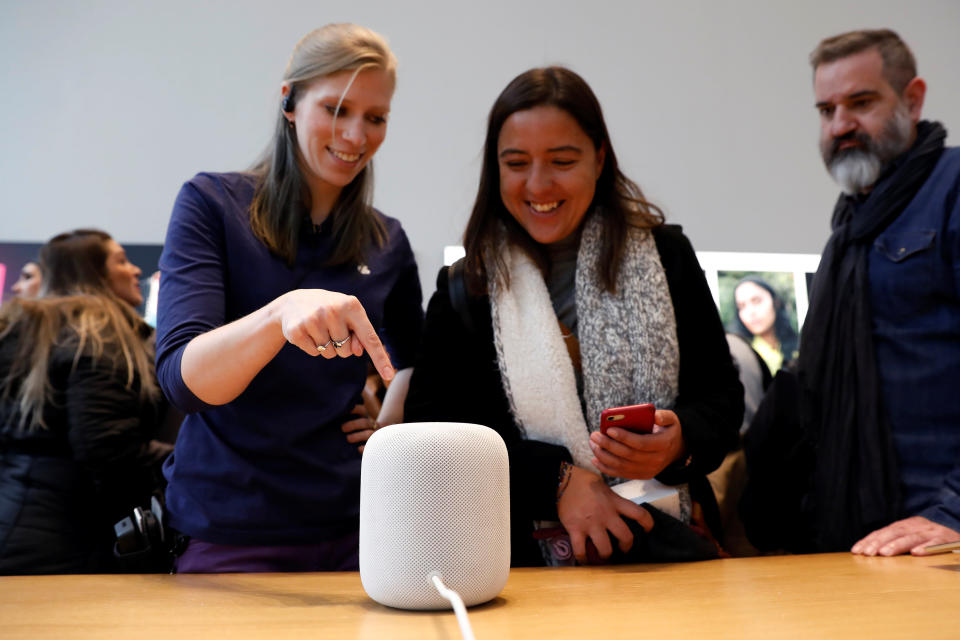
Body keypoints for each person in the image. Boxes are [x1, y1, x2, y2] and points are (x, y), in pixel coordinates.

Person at [404, 67, 743, 566]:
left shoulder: (668, 257)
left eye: (562, 160)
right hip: (517, 573)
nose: (538, 184)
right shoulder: (465, 288)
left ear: (600, 157)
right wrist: (556, 481)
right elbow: (432, 439)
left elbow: (721, 398)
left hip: (666, 558)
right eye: (516, 163)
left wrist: (679, 440)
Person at [155, 23, 423, 573]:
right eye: (336, 109)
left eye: (376, 118)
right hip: (231, 525)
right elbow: (183, 380)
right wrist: (280, 314)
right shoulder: (213, 206)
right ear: (290, 103)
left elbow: (414, 355)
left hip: (355, 526)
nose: (355, 135)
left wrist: (390, 422)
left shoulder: (385, 239)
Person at [742, 29, 960, 556]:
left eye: (860, 103)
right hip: (862, 533)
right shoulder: (852, 224)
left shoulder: (953, 188)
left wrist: (955, 511)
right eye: (826, 109)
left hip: (938, 539)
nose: (841, 126)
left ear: (912, 97)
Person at [0, 229, 170, 574]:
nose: (135, 270)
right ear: (90, 272)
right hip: (64, 538)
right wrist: (184, 459)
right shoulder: (98, 331)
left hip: (18, 516)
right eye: (120, 261)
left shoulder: (25, 327)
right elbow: (107, 447)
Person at [728, 276, 798, 375]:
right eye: (742, 306)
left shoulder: (799, 344)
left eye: (756, 301)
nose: (750, 312)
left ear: (775, 302)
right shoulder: (740, 355)